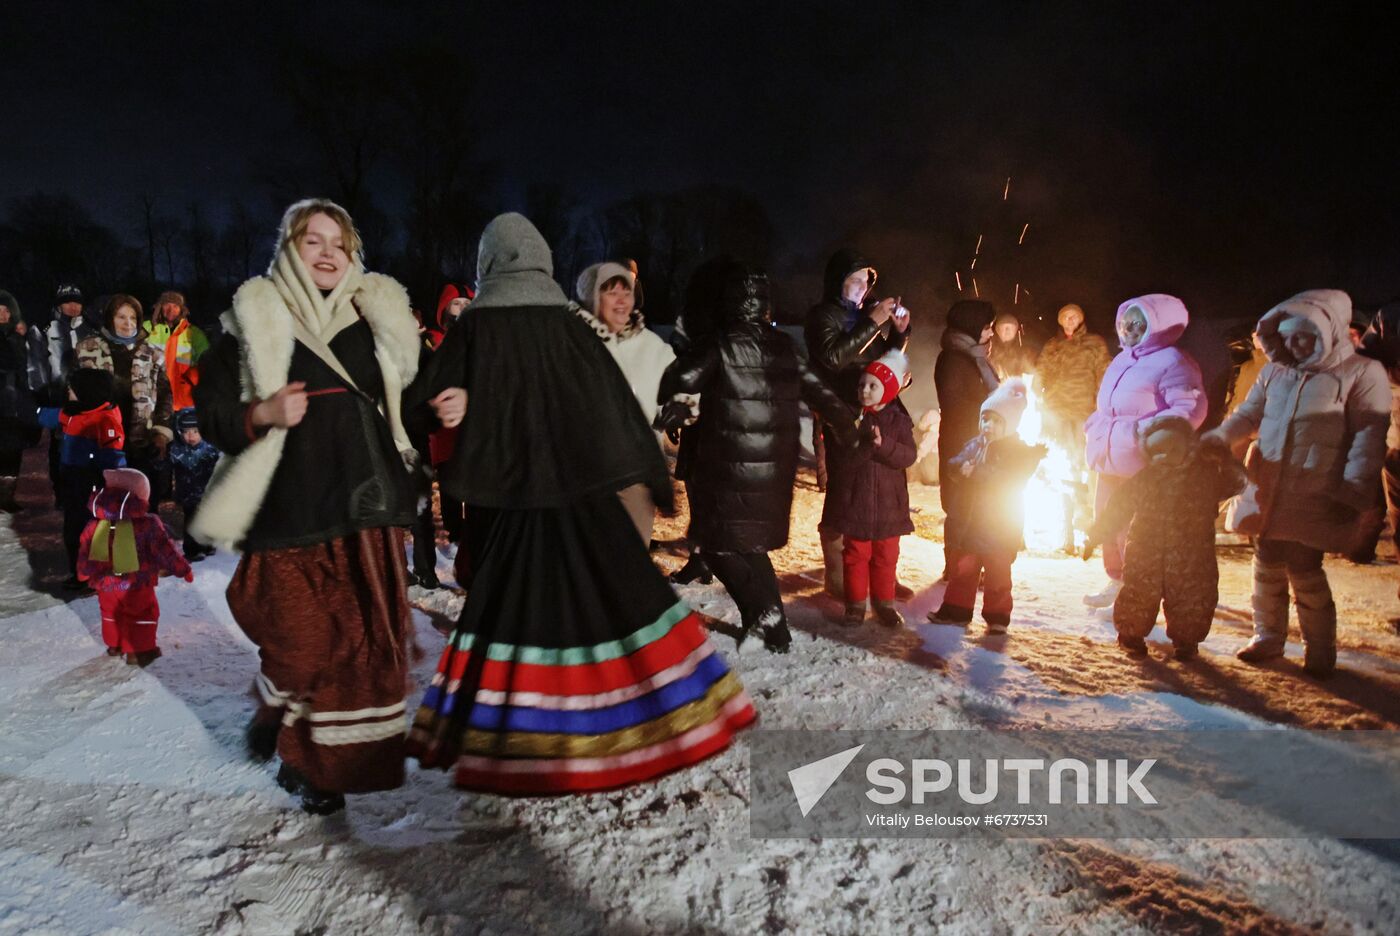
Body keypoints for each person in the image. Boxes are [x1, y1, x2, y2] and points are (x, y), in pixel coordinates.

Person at [403, 213, 755, 794]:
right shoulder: (570, 327)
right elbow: (613, 404)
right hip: (579, 498)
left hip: (510, 503)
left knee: (514, 618)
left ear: (486, 266)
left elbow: (422, 401)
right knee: (609, 602)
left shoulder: (476, 326)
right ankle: (641, 723)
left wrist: (444, 407)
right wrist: (652, 477)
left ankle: (520, 742)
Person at [192, 198, 420, 815]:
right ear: (288, 248)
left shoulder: (377, 317)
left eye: (338, 243)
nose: (326, 253)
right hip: (286, 508)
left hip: (363, 506)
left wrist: (443, 404)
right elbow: (212, 411)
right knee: (299, 641)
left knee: (360, 645)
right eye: (311, 240)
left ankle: (318, 766)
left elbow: (410, 400)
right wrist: (260, 413)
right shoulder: (251, 318)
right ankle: (281, 709)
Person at [661, 259, 860, 653]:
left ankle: (765, 611)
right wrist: (849, 428)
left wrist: (672, 401)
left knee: (715, 544)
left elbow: (682, 379)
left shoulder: (721, 343)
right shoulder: (784, 346)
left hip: (729, 463)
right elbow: (822, 393)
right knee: (751, 546)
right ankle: (774, 628)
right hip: (773, 468)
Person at [1204, 290, 1390, 677]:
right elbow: (1249, 414)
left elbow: (1368, 438)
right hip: (1270, 482)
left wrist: (1353, 492)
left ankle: (1319, 649)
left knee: (1306, 567)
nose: (1293, 345)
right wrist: (1221, 438)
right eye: (1287, 338)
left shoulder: (1360, 373)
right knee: (1267, 560)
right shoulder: (1276, 372)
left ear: (1329, 332)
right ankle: (1268, 636)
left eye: (1303, 337)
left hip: (1319, 488)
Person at [1084, 415, 1245, 659]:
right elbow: (1118, 507)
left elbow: (1236, 483)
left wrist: (1226, 461)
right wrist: (1095, 535)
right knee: (1138, 593)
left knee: (1192, 598)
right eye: (1157, 451)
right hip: (1145, 552)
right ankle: (1130, 635)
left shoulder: (1205, 476)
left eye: (1171, 449)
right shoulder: (1146, 478)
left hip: (1191, 556)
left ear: (1187, 447)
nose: (1165, 457)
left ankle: (1187, 641)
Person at [1083, 295, 1207, 608]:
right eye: (1126, 323)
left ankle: (1137, 588)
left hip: (1141, 461)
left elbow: (1188, 408)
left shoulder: (1174, 361)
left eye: (1139, 324)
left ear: (1158, 327)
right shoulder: (1122, 359)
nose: (1129, 330)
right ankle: (1117, 579)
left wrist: (1147, 433)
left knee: (1134, 529)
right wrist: (1094, 423)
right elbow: (1109, 405)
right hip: (1109, 455)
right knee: (1106, 521)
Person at [805, 248, 910, 594]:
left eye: (866, 281)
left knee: (880, 491)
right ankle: (839, 578)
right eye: (855, 280)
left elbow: (883, 361)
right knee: (843, 494)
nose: (862, 288)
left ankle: (882, 576)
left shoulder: (864, 315)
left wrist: (898, 335)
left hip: (875, 412)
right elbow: (834, 357)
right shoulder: (823, 315)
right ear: (838, 281)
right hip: (840, 413)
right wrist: (873, 322)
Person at [574, 260, 685, 543]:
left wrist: (675, 409)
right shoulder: (573, 345)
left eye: (627, 292)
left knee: (631, 554)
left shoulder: (651, 348)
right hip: (588, 474)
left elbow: (677, 392)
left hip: (636, 475)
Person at [928, 378, 1045, 633]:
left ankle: (997, 618)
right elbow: (954, 463)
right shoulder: (976, 444)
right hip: (971, 523)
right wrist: (960, 469)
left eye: (995, 421)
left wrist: (976, 473)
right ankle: (956, 611)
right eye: (985, 419)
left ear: (1010, 424)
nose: (988, 426)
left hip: (1000, 528)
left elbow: (1006, 478)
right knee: (963, 571)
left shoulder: (1016, 452)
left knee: (998, 577)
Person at [820, 349, 917, 628]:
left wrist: (883, 445)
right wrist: (866, 445)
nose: (865, 390)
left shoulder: (899, 420)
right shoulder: (851, 419)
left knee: (887, 556)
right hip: (857, 503)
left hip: (889, 505)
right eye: (862, 384)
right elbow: (843, 461)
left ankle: (885, 603)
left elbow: (908, 456)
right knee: (855, 556)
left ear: (887, 390)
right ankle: (855, 605)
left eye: (873, 385)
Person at [77, 467, 192, 666]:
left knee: (110, 613)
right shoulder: (149, 524)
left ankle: (115, 646)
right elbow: (165, 551)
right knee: (142, 614)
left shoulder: (94, 524)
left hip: (105, 584)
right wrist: (183, 569)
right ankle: (138, 651)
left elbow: (85, 551)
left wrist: (82, 573)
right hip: (137, 584)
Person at [74, 295, 174, 495]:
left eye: (133, 318)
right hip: (101, 442)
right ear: (110, 319)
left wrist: (161, 434)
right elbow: (73, 393)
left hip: (141, 442)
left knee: (141, 504)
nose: (128, 324)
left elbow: (164, 395)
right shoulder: (88, 349)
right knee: (102, 504)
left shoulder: (152, 354)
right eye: (121, 317)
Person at [1034, 303, 1113, 552]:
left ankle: (1089, 519)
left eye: (1074, 317)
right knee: (1060, 467)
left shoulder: (1094, 343)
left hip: (1084, 413)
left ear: (1081, 319)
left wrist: (1104, 405)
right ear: (1060, 320)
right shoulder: (1053, 345)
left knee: (1085, 466)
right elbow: (1040, 373)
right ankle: (1063, 525)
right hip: (1056, 414)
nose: (1070, 321)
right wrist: (1037, 397)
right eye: (1066, 317)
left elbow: (1105, 372)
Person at [38, 368, 126, 586]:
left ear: (88, 392)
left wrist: (110, 482)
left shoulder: (105, 420)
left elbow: (114, 457)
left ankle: (93, 574)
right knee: (73, 528)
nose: (68, 392)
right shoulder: (73, 411)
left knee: (91, 530)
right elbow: (44, 416)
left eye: (72, 389)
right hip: (72, 480)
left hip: (93, 483)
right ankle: (79, 573)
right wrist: (26, 407)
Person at [934, 300, 999, 575]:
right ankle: (957, 569)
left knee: (976, 507)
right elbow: (958, 406)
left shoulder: (974, 357)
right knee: (960, 507)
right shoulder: (953, 360)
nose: (991, 333)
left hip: (977, 443)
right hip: (960, 444)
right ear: (972, 327)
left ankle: (970, 567)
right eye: (987, 328)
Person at [41, 284, 97, 504]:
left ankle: (86, 489)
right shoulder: (47, 329)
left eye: (77, 302)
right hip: (57, 395)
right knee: (59, 445)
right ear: (59, 305)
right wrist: (44, 391)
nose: (73, 307)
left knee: (86, 442)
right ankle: (61, 492)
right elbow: (38, 363)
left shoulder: (90, 329)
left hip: (86, 396)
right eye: (67, 302)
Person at [0, 291, 44, 511]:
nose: (2, 314)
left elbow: (27, 369)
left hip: (14, 403)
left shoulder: (19, 338)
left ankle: (6, 496)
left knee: (12, 451)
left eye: (6, 310)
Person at [144, 290, 209, 414]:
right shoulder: (147, 328)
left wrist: (192, 379)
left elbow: (208, 363)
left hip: (185, 403)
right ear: (159, 307)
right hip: (152, 402)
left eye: (175, 306)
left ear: (182, 309)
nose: (170, 310)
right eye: (166, 305)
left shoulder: (194, 333)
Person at [168, 408, 219, 561]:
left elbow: (219, 465)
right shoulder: (176, 449)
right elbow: (165, 464)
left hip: (207, 493)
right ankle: (192, 550)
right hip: (187, 494)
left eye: (195, 431)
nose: (190, 436)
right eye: (186, 432)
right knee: (191, 521)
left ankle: (208, 544)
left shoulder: (210, 449)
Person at [987, 311, 1037, 379]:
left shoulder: (1023, 353)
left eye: (1011, 328)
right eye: (1004, 327)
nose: (1007, 330)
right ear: (998, 330)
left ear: (1015, 330)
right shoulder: (989, 350)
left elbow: (1031, 372)